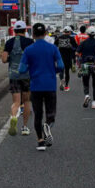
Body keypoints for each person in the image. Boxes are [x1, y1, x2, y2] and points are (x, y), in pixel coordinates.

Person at [18, 23, 63, 151]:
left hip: (35, 85)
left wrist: (31, 69)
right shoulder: (53, 48)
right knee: (51, 113)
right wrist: (52, 71)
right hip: (50, 84)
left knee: (38, 114)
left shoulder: (28, 50)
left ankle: (40, 141)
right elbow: (61, 66)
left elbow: (21, 69)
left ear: (33, 35)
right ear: (45, 34)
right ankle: (47, 125)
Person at [1, 20, 33, 136]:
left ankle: (14, 117)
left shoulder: (9, 42)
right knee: (27, 101)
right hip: (27, 75)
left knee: (16, 102)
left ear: (14, 31)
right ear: (25, 30)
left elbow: (4, 59)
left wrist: (12, 59)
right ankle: (24, 127)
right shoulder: (30, 42)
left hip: (14, 75)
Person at [75, 26, 95, 108]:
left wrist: (81, 57)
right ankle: (94, 102)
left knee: (85, 82)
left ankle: (86, 95)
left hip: (85, 64)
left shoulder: (84, 42)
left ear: (88, 33)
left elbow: (76, 53)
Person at [55, 26, 78, 91]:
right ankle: (66, 86)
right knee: (67, 72)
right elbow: (75, 47)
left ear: (64, 31)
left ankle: (62, 80)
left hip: (60, 57)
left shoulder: (59, 38)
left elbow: (54, 46)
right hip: (68, 57)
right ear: (69, 31)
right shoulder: (71, 38)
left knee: (61, 70)